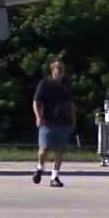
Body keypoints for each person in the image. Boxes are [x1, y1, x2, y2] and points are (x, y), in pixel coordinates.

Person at [32, 59, 75, 187]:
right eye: (58, 69)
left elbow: (71, 104)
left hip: (63, 122)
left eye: (62, 69)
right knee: (44, 149)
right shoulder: (44, 83)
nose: (61, 71)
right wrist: (38, 116)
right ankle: (40, 167)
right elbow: (36, 101)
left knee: (60, 150)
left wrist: (73, 120)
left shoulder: (66, 85)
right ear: (53, 70)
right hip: (47, 122)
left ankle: (54, 176)